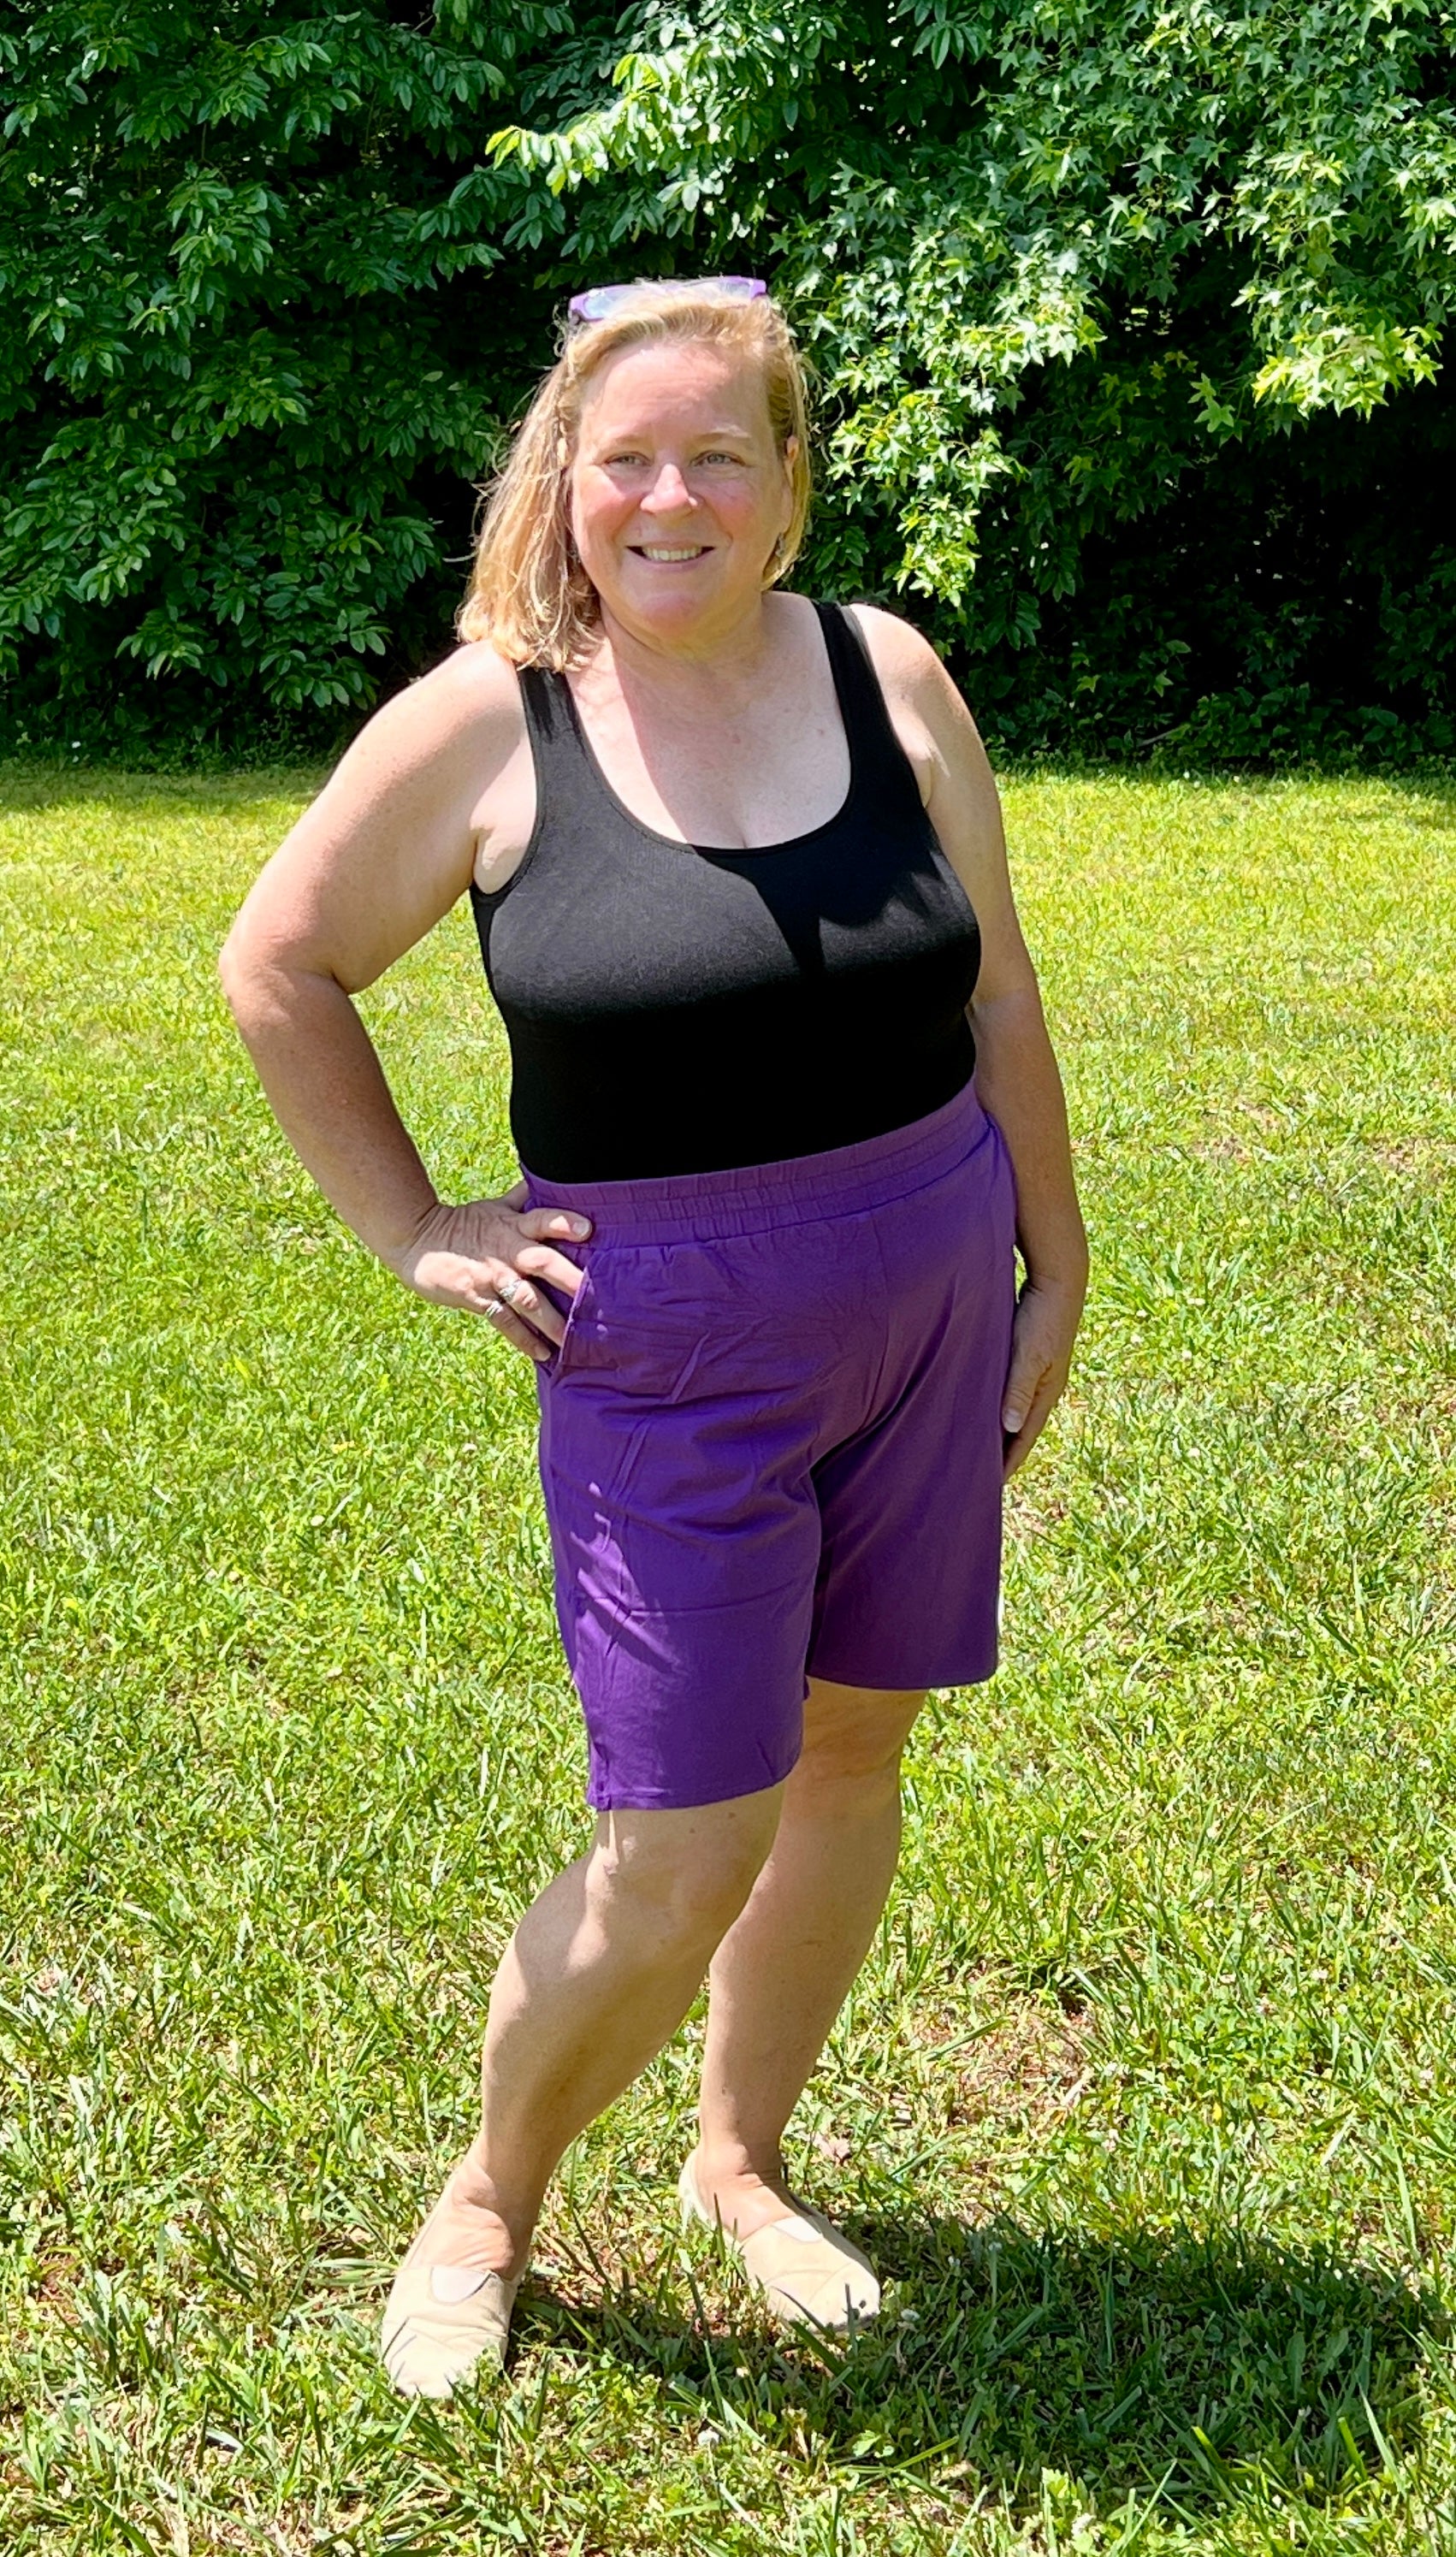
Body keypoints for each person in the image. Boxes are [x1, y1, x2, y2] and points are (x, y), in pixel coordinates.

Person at [219, 276, 1087, 2399]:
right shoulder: (490, 717)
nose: (666, 497)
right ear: (564, 480)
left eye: (716, 454)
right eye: (624, 458)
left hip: (925, 1289)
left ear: (787, 482)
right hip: (668, 1343)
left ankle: (736, 2160)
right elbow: (278, 963)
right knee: (685, 1829)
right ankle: (487, 2200)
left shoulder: (887, 673)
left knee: (853, 1754)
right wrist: (412, 1224)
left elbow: (992, 987)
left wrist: (1053, 1262)